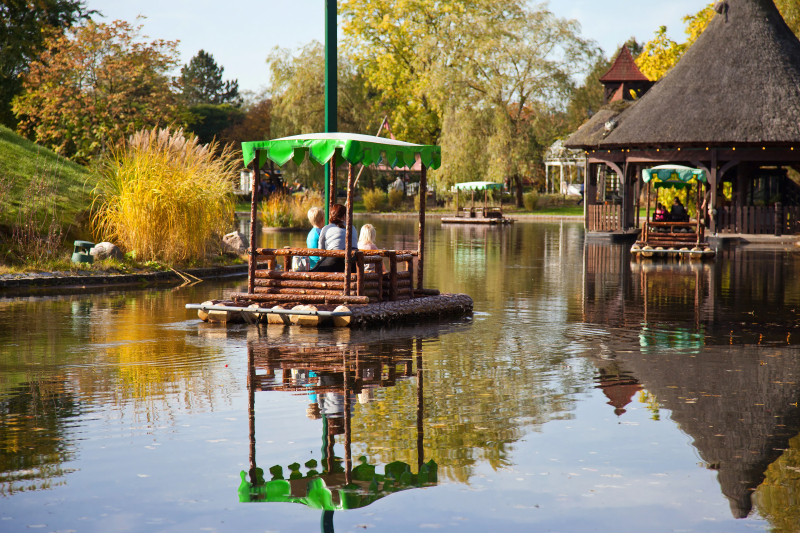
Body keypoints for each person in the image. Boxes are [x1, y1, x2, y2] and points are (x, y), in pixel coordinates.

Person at [310, 204, 358, 272]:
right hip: (353, 263)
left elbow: (321, 253)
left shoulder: (326, 228)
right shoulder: (352, 228)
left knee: (314, 272)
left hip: (334, 262)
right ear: (344, 216)